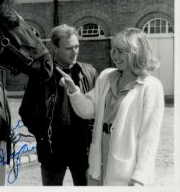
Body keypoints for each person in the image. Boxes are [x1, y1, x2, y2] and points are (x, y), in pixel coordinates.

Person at [57, 27, 164, 186]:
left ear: (136, 52)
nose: (114, 56)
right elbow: (87, 110)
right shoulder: (106, 76)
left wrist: (140, 176)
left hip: (127, 168)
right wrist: (73, 90)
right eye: (113, 50)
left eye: (120, 51)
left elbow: (150, 137)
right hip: (98, 160)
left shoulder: (151, 86)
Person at [19, 24, 98, 185]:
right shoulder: (41, 76)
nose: (75, 51)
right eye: (69, 48)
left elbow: (97, 109)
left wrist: (91, 137)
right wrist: (43, 137)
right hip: (53, 150)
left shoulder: (89, 72)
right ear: (55, 48)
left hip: (83, 149)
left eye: (77, 46)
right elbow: (26, 112)